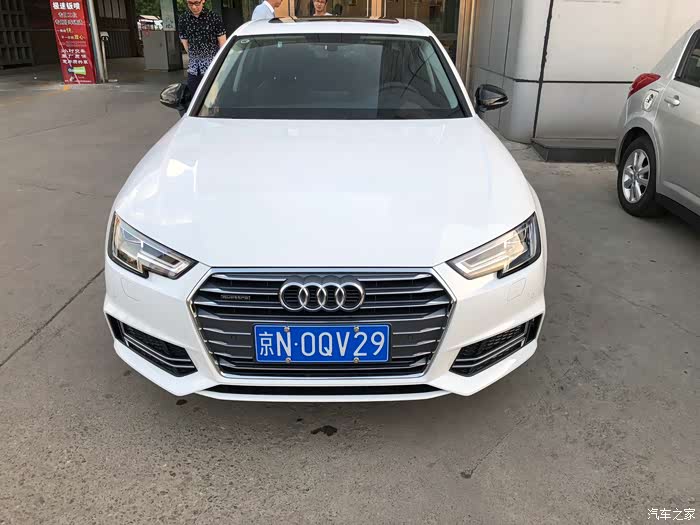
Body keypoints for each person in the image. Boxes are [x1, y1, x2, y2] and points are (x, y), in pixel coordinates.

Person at [178, 0, 227, 95]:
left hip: (212, 67)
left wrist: (220, 64)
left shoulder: (214, 17)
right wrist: (194, 56)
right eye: (190, 3)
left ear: (203, 1)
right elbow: (185, 43)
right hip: (194, 69)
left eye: (197, 3)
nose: (194, 7)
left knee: (213, 97)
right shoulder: (183, 19)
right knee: (195, 96)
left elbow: (222, 42)